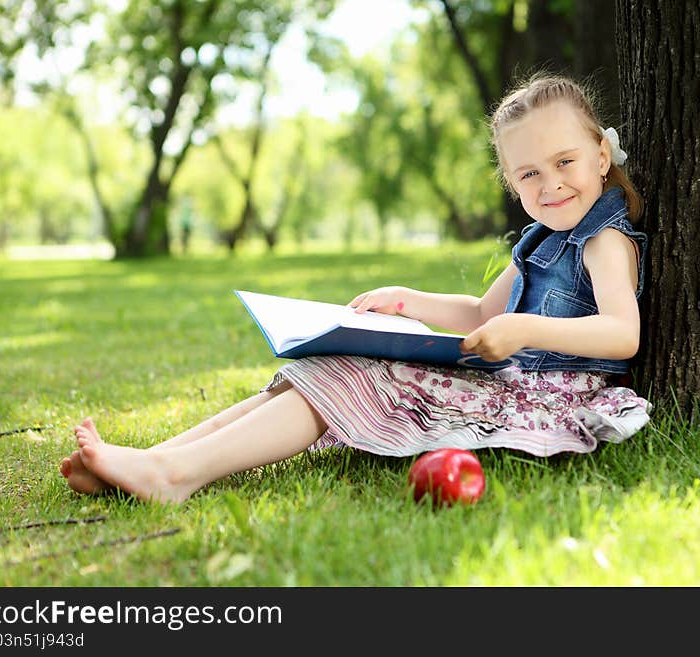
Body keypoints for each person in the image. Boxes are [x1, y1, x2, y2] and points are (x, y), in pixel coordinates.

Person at [60, 73, 652, 504]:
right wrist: (407, 301)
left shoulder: (603, 240)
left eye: (564, 162)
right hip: (508, 378)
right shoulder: (540, 240)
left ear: (601, 154)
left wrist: (523, 329)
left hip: (544, 396)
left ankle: (172, 474)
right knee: (330, 363)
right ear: (511, 182)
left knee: (352, 376)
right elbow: (479, 311)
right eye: (529, 174)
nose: (551, 185)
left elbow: (622, 335)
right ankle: (155, 461)